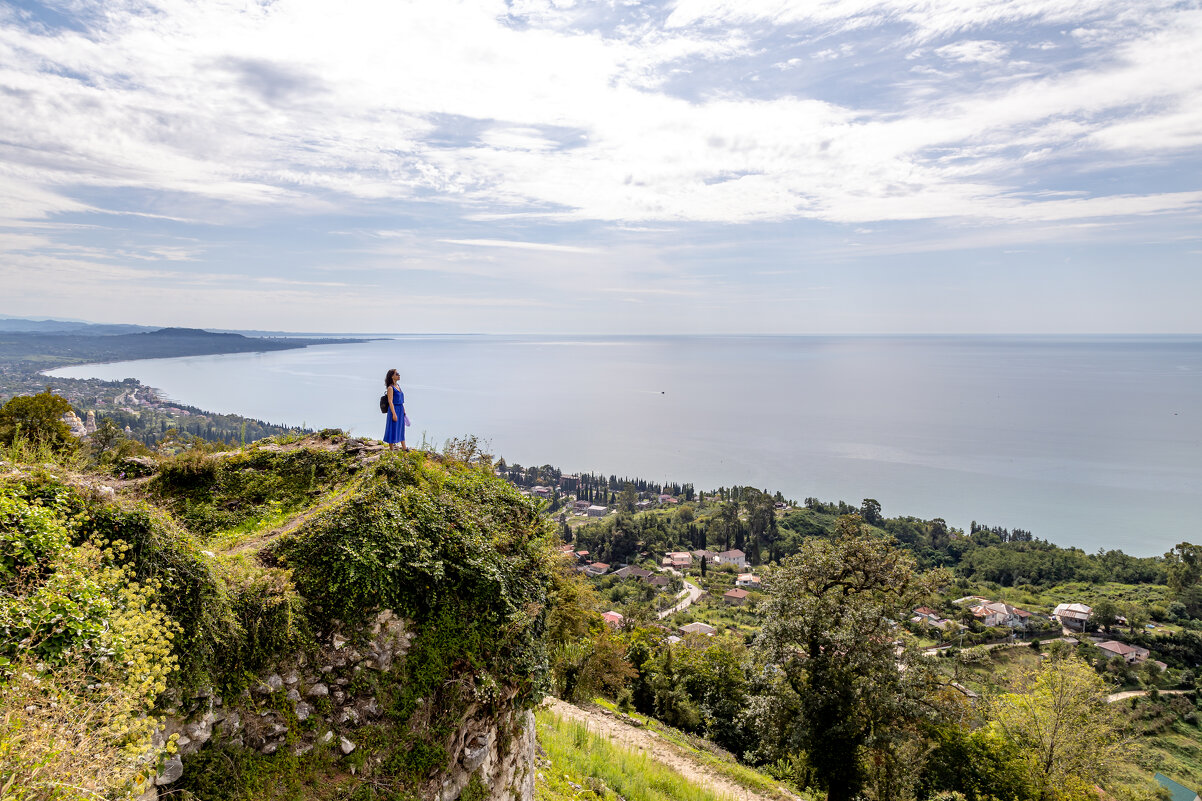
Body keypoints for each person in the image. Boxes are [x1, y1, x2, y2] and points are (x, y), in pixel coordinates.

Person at [383, 368, 407, 451]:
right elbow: (390, 401)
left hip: (400, 408)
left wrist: (403, 409)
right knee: (392, 427)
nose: (399, 375)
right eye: (397, 374)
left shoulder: (398, 386)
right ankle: (391, 450)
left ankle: (404, 448)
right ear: (392, 376)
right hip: (394, 409)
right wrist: (394, 413)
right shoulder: (390, 388)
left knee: (401, 428)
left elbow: (401, 400)